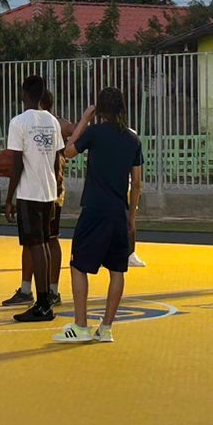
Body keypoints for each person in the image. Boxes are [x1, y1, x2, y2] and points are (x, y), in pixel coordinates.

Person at [53, 88, 142, 344]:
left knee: (79, 265)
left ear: (100, 110)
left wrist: (84, 119)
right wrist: (132, 217)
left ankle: (81, 325)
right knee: (117, 270)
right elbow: (136, 184)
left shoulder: (94, 132)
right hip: (119, 211)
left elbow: (68, 152)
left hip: (95, 209)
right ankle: (106, 328)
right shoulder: (132, 139)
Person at [3, 75, 64, 323]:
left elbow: (17, 164)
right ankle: (47, 295)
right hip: (49, 192)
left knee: (35, 245)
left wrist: (9, 198)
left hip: (29, 193)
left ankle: (41, 304)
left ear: (24, 93)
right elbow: (58, 159)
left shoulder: (19, 122)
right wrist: (56, 184)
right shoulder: (52, 121)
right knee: (45, 242)